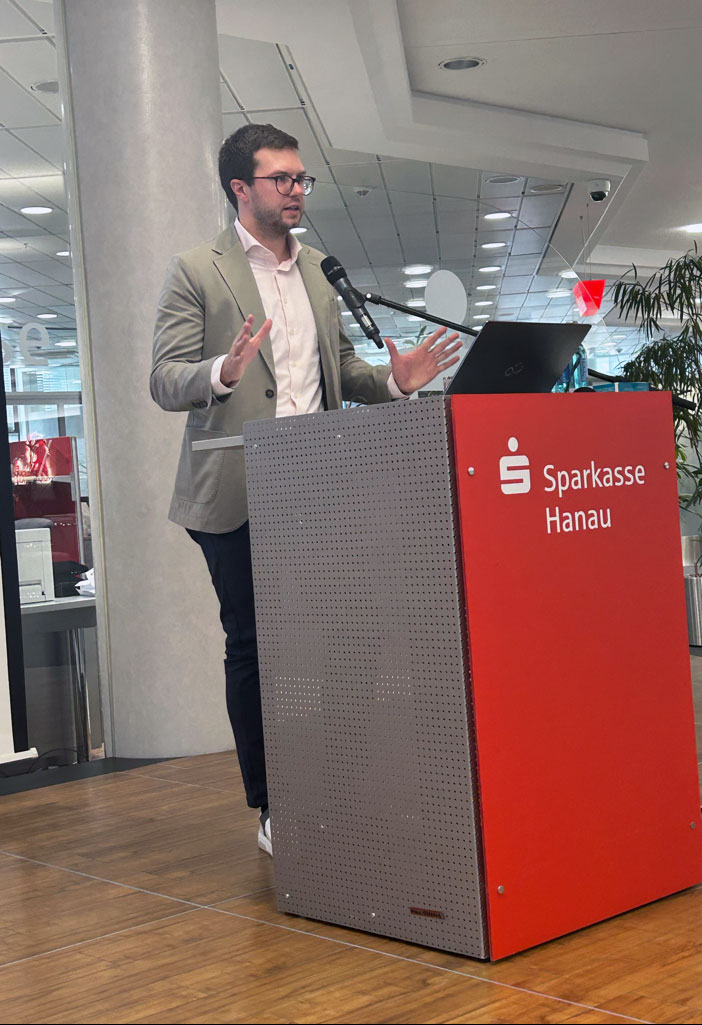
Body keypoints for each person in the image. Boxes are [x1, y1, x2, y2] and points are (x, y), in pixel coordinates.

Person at [150, 123, 460, 857]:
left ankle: (340, 783)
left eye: (300, 179)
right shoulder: (197, 270)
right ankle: (274, 804)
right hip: (237, 486)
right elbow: (164, 379)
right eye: (281, 179)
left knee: (351, 644)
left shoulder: (320, 269)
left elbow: (339, 370)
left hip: (322, 488)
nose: (296, 190)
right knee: (256, 646)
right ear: (240, 187)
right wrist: (221, 371)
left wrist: (393, 382)